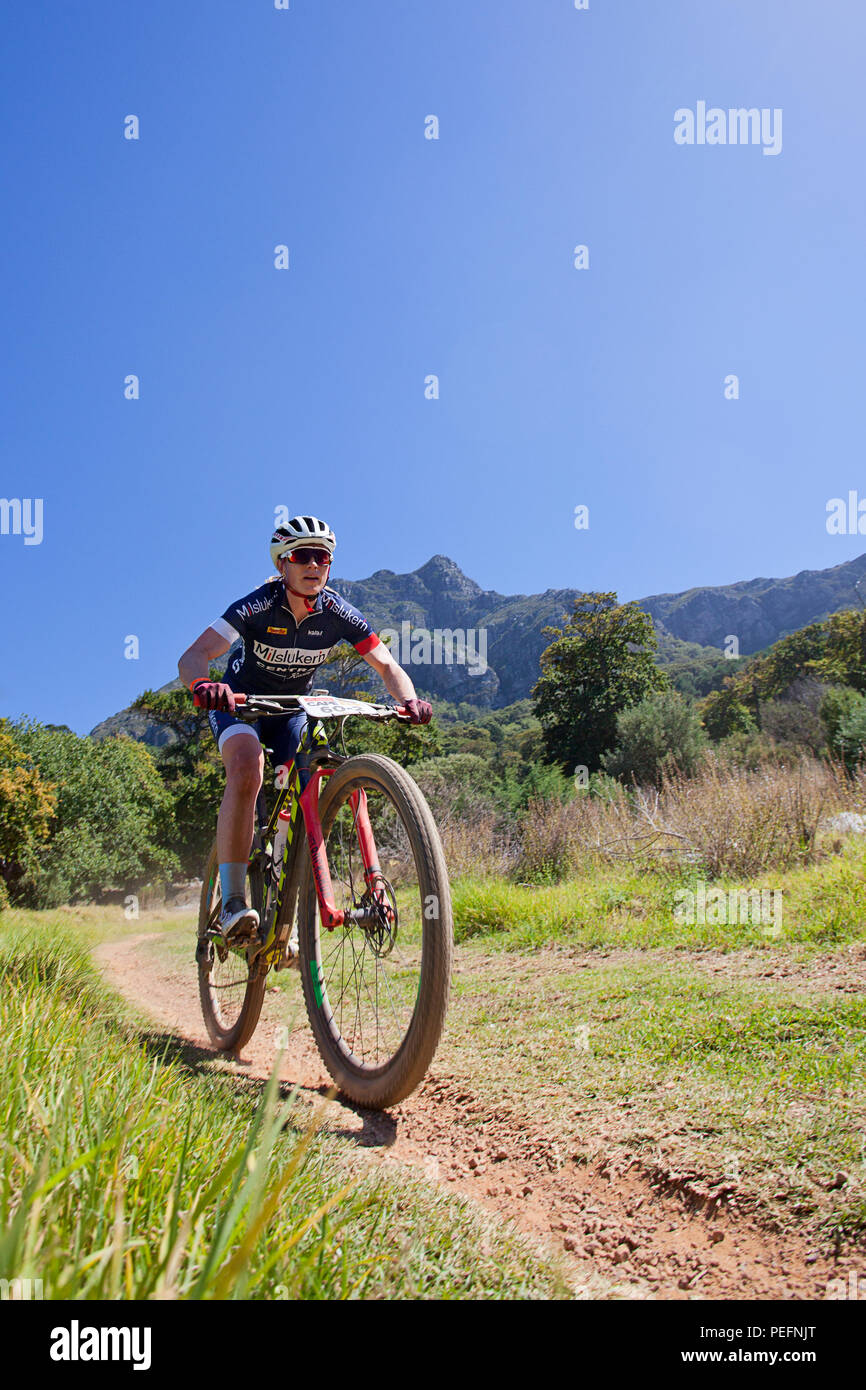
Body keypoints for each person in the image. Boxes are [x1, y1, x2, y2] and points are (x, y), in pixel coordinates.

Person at [178, 515, 432, 940]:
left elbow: (386, 664)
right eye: (302, 556)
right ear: (283, 564)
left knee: (308, 788)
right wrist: (205, 684)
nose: (314, 565)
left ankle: (287, 913)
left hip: (291, 710)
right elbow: (195, 654)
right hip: (242, 705)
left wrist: (409, 700)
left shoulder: (336, 612)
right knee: (247, 769)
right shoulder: (259, 604)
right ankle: (234, 903)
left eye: (323, 557)